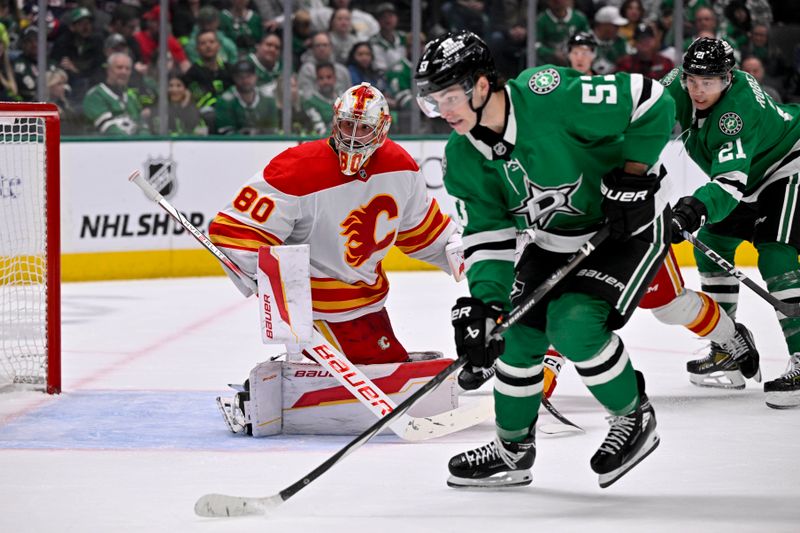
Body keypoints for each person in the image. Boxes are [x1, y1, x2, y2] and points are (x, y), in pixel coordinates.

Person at [414, 30, 674, 488]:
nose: (444, 111)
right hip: (554, 239)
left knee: (573, 324)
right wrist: (487, 305)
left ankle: (634, 415)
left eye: (449, 96)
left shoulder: (549, 94)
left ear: (480, 86)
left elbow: (652, 100)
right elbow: (489, 236)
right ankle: (512, 449)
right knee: (512, 335)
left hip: (626, 229)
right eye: (434, 101)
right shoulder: (463, 154)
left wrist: (634, 174)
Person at [209, 82, 459, 429]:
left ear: (382, 129)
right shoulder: (297, 167)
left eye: (364, 128)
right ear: (334, 121)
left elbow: (424, 233)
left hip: (370, 305)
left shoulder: (401, 167)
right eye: (347, 125)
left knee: (393, 368)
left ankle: (295, 382)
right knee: (382, 380)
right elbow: (234, 229)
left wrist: (464, 254)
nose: (354, 137)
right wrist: (269, 279)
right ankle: (281, 386)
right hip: (316, 311)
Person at [663, 37, 800, 409]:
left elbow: (727, 185)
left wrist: (692, 209)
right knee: (712, 249)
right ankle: (727, 350)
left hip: (787, 163)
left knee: (775, 254)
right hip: (747, 176)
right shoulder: (679, 83)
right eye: (692, 80)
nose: (697, 90)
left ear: (728, 77)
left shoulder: (735, 113)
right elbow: (645, 116)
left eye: (708, 83)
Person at [82, 52, 149, 135]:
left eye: (127, 69)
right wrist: (131, 144)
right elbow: (109, 129)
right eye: (119, 68)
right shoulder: (95, 96)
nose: (124, 72)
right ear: (109, 70)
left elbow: (141, 126)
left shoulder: (131, 97)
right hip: (104, 146)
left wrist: (145, 142)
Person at [214, 59, 278, 135]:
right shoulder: (225, 101)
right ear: (234, 78)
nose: (245, 80)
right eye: (241, 77)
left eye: (249, 76)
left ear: (255, 76)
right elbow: (226, 133)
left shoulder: (268, 100)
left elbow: (272, 131)